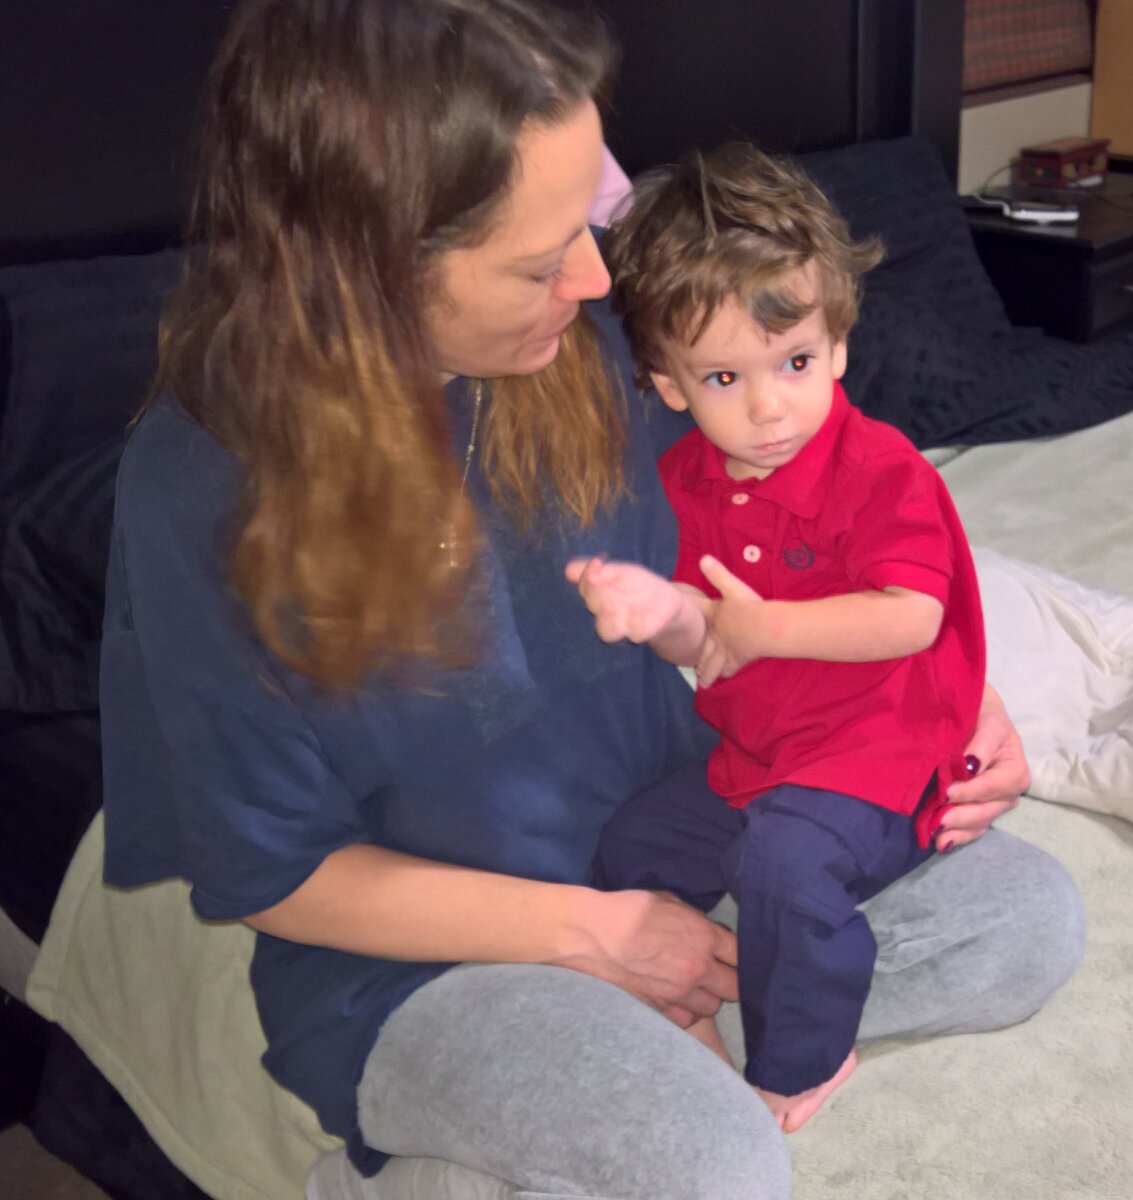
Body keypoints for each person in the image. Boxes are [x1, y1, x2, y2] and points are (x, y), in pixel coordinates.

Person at [97, 2, 1083, 1197]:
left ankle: (654, 1057)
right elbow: (278, 875)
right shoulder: (204, 484)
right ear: (364, 261)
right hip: (435, 957)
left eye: (587, 216)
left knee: (1020, 919)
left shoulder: (600, 344)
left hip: (689, 825)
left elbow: (801, 548)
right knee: (711, 1170)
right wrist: (598, 937)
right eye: (539, 257)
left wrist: (947, 695)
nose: (595, 274)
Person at [568, 143, 992, 1132]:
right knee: (633, 843)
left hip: (885, 761)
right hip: (761, 758)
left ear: (837, 344)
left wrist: (767, 625)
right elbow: (705, 644)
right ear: (669, 385)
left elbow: (910, 615)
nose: (768, 408)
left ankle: (803, 1060)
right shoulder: (681, 484)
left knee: (783, 867)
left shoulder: (882, 470)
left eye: (794, 361)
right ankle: (687, 996)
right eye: (724, 376)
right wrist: (658, 611)